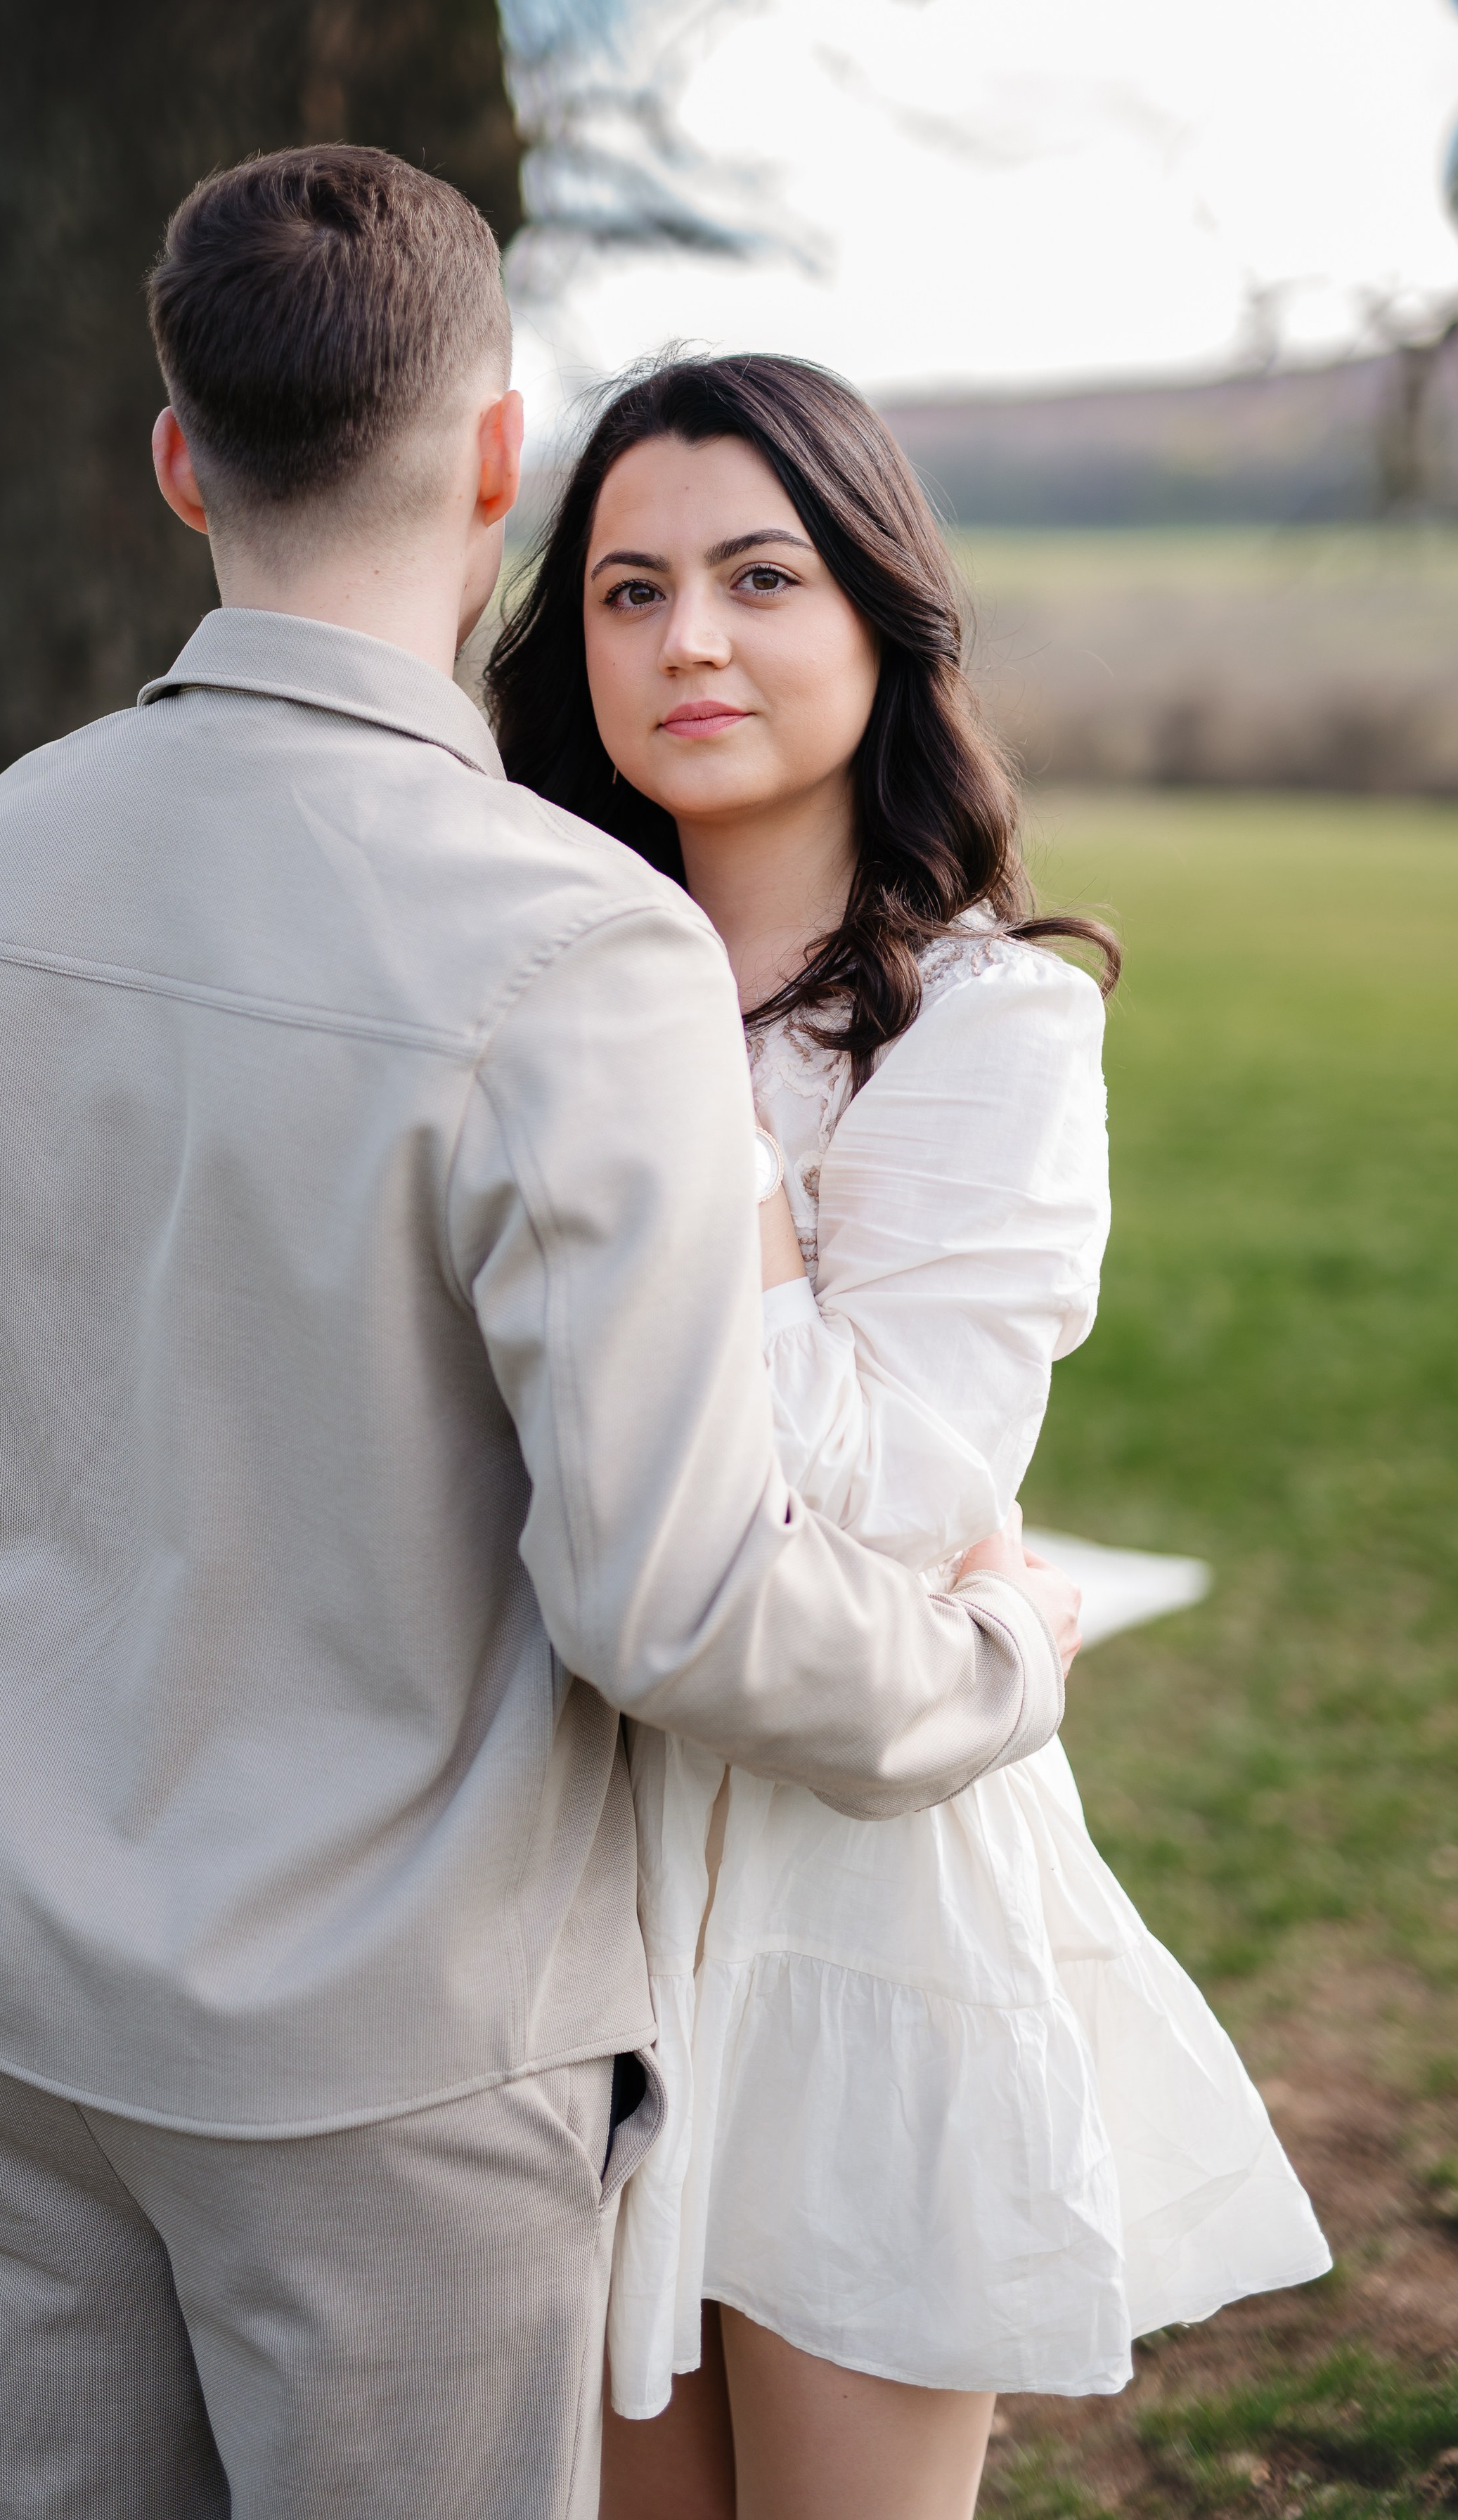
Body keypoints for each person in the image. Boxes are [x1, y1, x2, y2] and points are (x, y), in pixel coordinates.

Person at [0, 154, 1080, 2520]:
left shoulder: (0, 852)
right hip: (384, 2059)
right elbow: (669, 1597)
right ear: (502, 465)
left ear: (180, 459)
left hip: (0, 1983)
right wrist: (997, 1670)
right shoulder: (566, 948)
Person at [490, 353, 1332, 2520]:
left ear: (881, 617)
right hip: (549, 1904)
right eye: (627, 587)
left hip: (855, 1912)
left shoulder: (995, 1030)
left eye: (760, 578)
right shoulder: (503, 998)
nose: (686, 639)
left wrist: (684, 1069)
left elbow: (867, 1501)